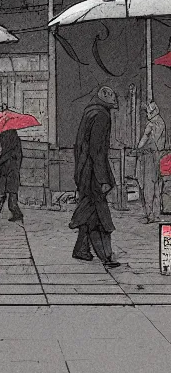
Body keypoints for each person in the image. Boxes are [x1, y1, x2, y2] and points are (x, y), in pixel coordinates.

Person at [70, 86, 121, 269]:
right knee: (100, 214)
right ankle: (106, 256)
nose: (116, 100)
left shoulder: (89, 112)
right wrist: (103, 179)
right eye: (113, 96)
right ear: (105, 96)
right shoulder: (102, 115)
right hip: (94, 174)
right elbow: (97, 149)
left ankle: (81, 249)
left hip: (85, 171)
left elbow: (81, 146)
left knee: (89, 210)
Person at [136, 101, 166, 223]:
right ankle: (156, 214)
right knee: (157, 187)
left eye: (148, 112)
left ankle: (150, 215)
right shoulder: (161, 122)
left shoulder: (152, 124)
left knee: (148, 187)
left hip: (150, 158)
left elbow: (143, 141)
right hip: (160, 157)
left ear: (153, 112)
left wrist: (138, 148)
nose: (147, 114)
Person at [0, 129, 24, 222]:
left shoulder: (9, 147)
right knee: (6, 193)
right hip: (10, 173)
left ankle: (15, 213)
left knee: (5, 194)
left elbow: (2, 162)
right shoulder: (16, 142)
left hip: (8, 173)